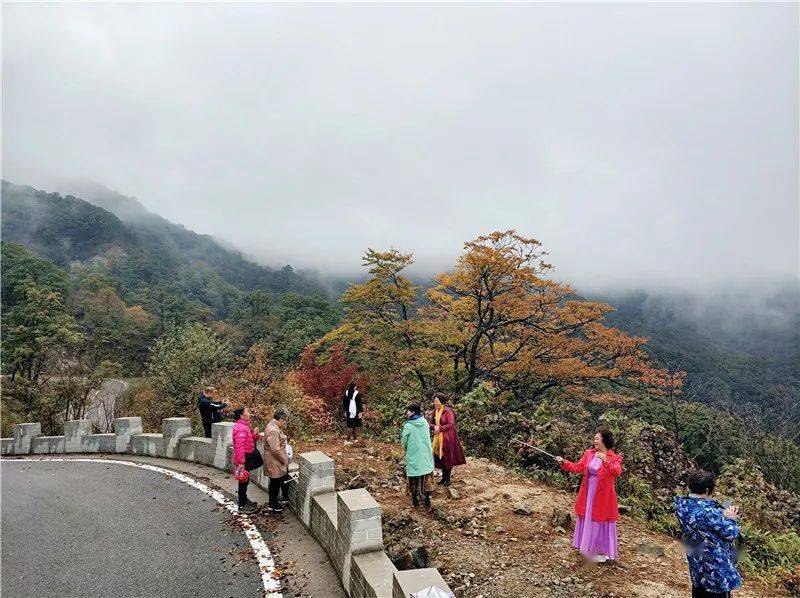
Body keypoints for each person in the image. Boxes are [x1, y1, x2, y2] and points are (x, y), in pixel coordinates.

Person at [555, 428, 622, 563]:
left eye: (597, 438)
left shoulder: (614, 457)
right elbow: (578, 467)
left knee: (600, 519)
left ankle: (600, 551)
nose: (594, 441)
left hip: (604, 495)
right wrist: (564, 462)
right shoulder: (589, 453)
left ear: (604, 440)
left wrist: (605, 461)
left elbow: (616, 472)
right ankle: (587, 548)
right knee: (589, 517)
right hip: (589, 492)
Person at [674, 470, 742, 598]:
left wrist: (724, 507)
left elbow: (708, 509)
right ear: (706, 490)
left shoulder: (682, 504)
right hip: (715, 568)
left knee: (699, 592)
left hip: (697, 562)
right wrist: (731, 518)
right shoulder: (709, 513)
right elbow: (732, 533)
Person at [401, 403, 434, 509]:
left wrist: (407, 449)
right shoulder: (424, 422)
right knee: (426, 476)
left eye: (408, 411)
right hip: (426, 454)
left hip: (414, 454)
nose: (407, 413)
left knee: (413, 478)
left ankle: (415, 500)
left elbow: (404, 442)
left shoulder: (408, 425)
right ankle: (427, 499)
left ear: (413, 412)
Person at [428, 393, 466, 486]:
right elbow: (430, 423)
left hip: (448, 437)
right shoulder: (434, 411)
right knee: (440, 457)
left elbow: (451, 424)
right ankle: (443, 478)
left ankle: (447, 478)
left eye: (436, 401)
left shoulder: (447, 411)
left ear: (441, 401)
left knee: (447, 457)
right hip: (438, 437)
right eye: (434, 401)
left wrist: (440, 428)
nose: (435, 403)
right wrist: (434, 427)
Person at [232, 407, 261, 514]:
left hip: (246, 456)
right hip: (244, 457)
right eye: (247, 412)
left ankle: (243, 500)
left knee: (245, 480)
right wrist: (241, 464)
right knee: (243, 481)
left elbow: (248, 440)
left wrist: (255, 435)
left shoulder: (244, 426)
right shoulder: (241, 428)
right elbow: (239, 447)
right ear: (241, 415)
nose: (249, 413)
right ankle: (242, 505)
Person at [264, 409, 290, 513]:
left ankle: (273, 502)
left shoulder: (272, 425)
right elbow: (275, 449)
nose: (285, 423)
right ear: (281, 419)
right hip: (274, 460)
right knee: (275, 482)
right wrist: (284, 460)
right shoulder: (274, 430)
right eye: (285, 421)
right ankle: (273, 504)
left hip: (272, 459)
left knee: (274, 482)